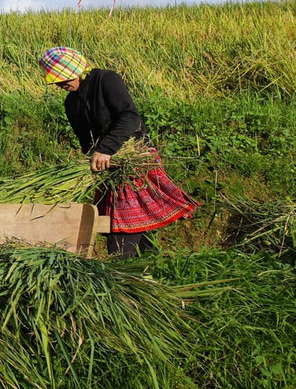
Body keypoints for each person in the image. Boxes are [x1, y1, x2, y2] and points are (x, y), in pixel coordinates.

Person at [39, 46, 196, 257]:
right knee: (130, 220)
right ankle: (148, 265)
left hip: (132, 160)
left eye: (63, 78)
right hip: (107, 168)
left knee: (122, 223)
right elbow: (86, 141)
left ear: (76, 70)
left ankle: (121, 267)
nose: (61, 84)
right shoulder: (71, 103)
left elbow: (130, 117)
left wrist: (106, 149)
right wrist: (91, 163)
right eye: (57, 81)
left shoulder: (106, 80)